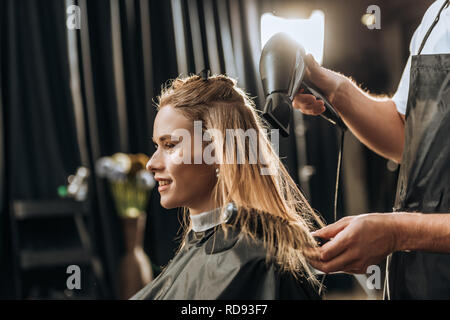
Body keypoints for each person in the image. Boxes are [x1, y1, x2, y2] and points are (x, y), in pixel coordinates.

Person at [296, 0, 450, 299]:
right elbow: (408, 139)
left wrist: (399, 232)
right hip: (423, 280)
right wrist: (335, 89)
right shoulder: (437, 17)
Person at [131, 74, 324, 300]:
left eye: (170, 145)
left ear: (217, 152)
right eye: (157, 146)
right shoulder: (207, 246)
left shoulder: (255, 263)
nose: (151, 163)